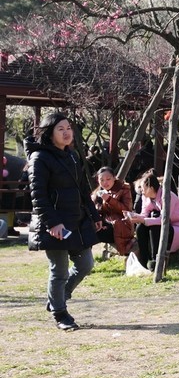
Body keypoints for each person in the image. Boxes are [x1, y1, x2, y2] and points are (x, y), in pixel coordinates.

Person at [26, 112, 100, 331]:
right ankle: (61, 314)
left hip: (78, 221)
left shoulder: (74, 155)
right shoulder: (39, 158)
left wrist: (94, 216)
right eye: (61, 129)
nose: (67, 132)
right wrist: (52, 223)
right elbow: (38, 196)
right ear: (50, 134)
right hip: (55, 224)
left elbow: (84, 189)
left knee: (86, 264)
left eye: (68, 127)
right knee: (59, 270)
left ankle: (57, 297)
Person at [126, 172, 179, 270]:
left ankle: (155, 260)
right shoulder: (146, 197)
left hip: (178, 228)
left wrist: (143, 220)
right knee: (140, 228)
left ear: (151, 188)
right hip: (161, 224)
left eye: (143, 188)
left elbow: (163, 220)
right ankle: (143, 259)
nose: (142, 191)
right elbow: (144, 215)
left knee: (155, 227)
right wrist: (134, 217)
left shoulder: (167, 196)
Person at [92, 166, 134, 256]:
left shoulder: (124, 189)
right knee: (87, 229)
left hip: (120, 226)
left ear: (114, 178)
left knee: (92, 234)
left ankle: (83, 260)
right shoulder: (98, 192)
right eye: (101, 180)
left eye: (108, 179)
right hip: (105, 224)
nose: (105, 182)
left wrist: (109, 199)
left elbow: (127, 210)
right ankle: (82, 258)